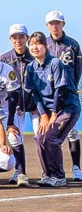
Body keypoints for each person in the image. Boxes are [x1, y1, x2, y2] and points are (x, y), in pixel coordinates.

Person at [25, 31, 81, 187]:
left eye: (38, 43)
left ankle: (59, 176)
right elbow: (35, 93)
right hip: (48, 111)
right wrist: (43, 115)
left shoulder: (55, 63)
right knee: (40, 138)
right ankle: (48, 175)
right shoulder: (30, 67)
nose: (34, 47)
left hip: (67, 108)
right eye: (32, 44)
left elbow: (59, 91)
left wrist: (54, 114)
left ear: (45, 46)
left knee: (51, 138)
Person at [44, 10, 82, 180]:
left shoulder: (73, 44)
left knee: (72, 133)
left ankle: (76, 167)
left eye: (57, 23)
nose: (55, 26)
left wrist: (71, 87)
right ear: (47, 25)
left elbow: (77, 70)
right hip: (50, 95)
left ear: (63, 24)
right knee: (47, 135)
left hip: (67, 95)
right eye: (52, 23)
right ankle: (49, 171)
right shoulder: (43, 44)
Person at [1, 24, 35, 186]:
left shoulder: (34, 57)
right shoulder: (5, 59)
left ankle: (50, 172)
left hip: (36, 105)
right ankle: (20, 172)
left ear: (26, 38)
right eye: (15, 37)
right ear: (10, 39)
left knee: (42, 138)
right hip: (15, 106)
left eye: (21, 37)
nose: (18, 40)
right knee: (14, 137)